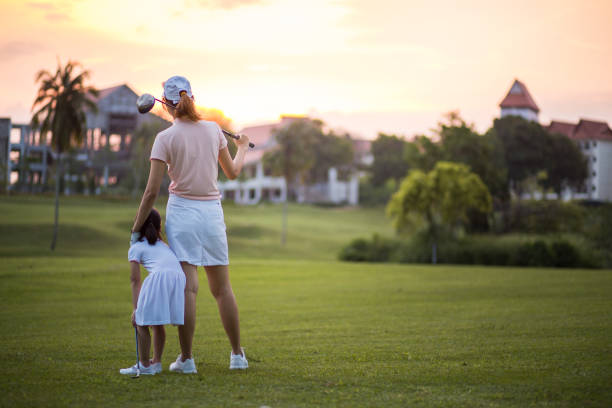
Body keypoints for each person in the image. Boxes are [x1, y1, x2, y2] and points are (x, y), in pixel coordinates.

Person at [130, 75, 250, 373]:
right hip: (212, 214)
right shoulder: (213, 130)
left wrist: (136, 228)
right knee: (222, 289)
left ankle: (187, 359)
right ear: (192, 99)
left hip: (183, 213)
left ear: (166, 105)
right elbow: (233, 172)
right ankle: (237, 355)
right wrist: (244, 147)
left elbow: (150, 192)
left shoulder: (165, 138)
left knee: (189, 289)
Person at [120, 209, 186, 376]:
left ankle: (144, 366)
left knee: (141, 322)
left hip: (160, 276)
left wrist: (136, 309)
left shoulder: (136, 247)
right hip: (178, 277)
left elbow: (135, 280)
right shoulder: (163, 245)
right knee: (157, 324)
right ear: (159, 227)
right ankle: (155, 362)